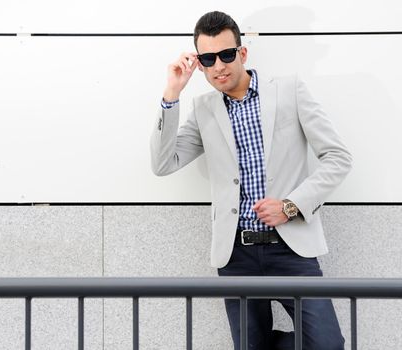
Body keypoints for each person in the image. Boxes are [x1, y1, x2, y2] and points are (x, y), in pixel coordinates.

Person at [150, 11, 352, 350]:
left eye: (226, 55)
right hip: (236, 255)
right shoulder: (203, 109)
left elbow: (338, 158)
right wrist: (172, 94)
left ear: (242, 54)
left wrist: (290, 206)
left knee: (327, 344)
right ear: (199, 63)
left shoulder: (289, 91)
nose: (219, 66)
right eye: (208, 59)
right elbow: (162, 163)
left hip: (290, 248)